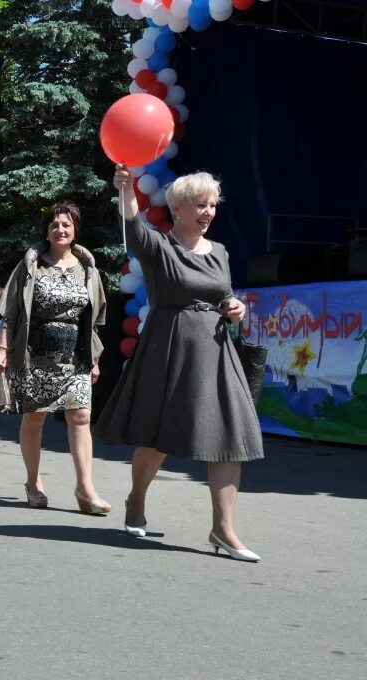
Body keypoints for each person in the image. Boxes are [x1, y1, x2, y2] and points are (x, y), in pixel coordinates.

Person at [95, 166, 263, 562]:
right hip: (169, 346)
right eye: (199, 204)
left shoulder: (219, 251)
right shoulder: (157, 246)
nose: (207, 211)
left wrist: (234, 306)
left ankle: (223, 529)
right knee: (156, 437)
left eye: (211, 205)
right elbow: (132, 221)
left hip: (216, 348)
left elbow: (221, 294)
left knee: (230, 436)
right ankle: (136, 501)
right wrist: (124, 187)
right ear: (177, 208)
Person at [0, 202, 110, 514]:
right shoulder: (31, 266)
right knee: (35, 417)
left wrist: (94, 358)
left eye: (67, 224)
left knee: (81, 416)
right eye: (55, 224)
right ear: (46, 231)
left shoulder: (88, 269)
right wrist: (3, 349)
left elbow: (95, 319)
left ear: (75, 231)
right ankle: (34, 483)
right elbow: (11, 310)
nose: (61, 229)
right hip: (35, 354)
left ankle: (85, 488)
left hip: (76, 355)